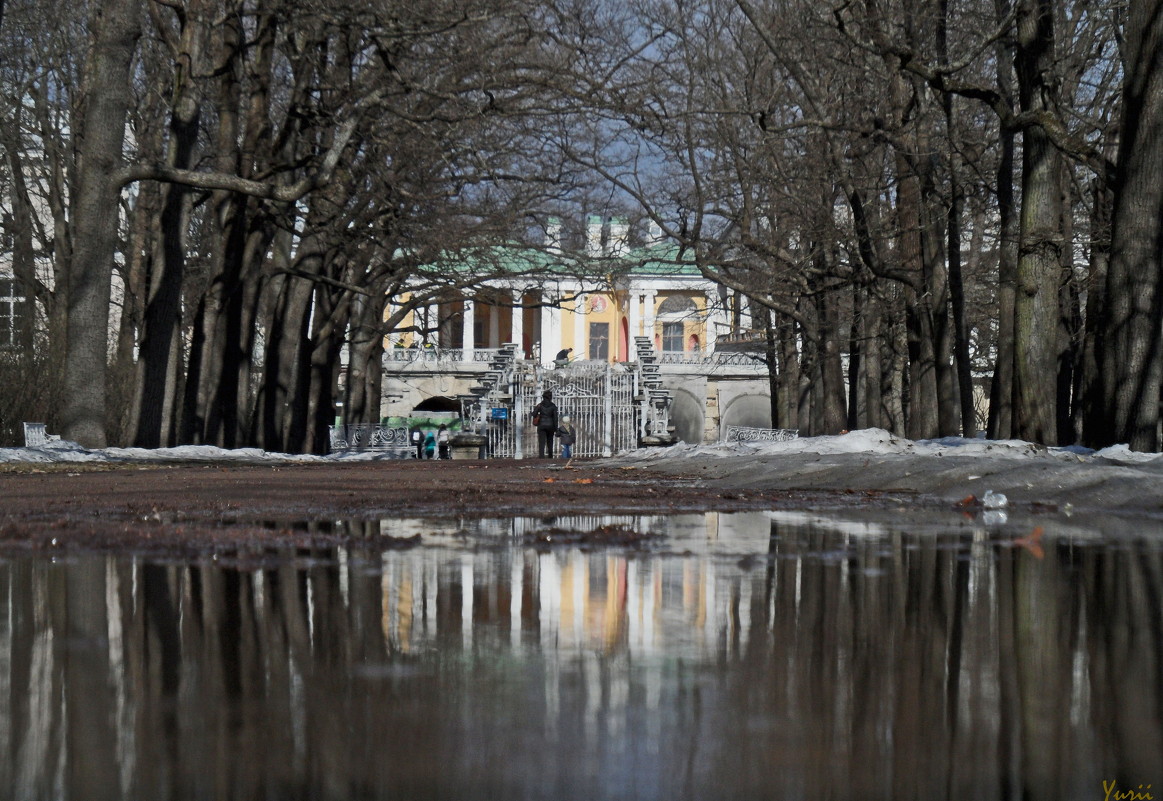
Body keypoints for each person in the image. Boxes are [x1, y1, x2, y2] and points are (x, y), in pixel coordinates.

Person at [533, 390, 559, 458]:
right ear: (550, 397)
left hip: (541, 425)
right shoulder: (553, 406)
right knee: (550, 441)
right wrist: (556, 429)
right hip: (551, 425)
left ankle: (541, 456)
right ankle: (550, 456)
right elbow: (555, 418)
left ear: (543, 397)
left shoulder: (540, 405)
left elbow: (534, 414)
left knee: (541, 442)